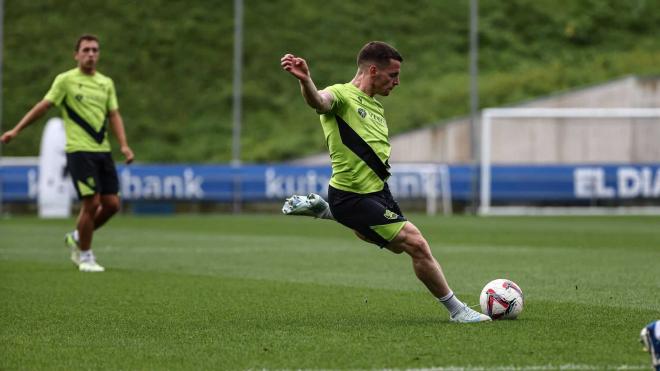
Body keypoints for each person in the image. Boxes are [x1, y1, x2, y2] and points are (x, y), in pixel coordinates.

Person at [280, 41, 490, 323]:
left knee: (391, 244)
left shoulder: (376, 107)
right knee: (417, 244)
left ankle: (324, 210)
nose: (398, 82)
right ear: (373, 70)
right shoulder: (342, 95)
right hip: (352, 196)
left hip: (378, 191)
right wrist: (306, 81)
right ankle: (457, 311)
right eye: (393, 75)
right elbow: (319, 100)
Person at [1, 34, 134, 272]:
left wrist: (123, 145)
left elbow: (114, 114)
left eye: (95, 50)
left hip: (102, 151)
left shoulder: (106, 83)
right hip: (78, 151)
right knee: (91, 203)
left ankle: (76, 236)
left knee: (112, 204)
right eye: (86, 50)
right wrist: (16, 130)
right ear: (76, 55)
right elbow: (44, 106)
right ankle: (85, 256)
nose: (91, 54)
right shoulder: (65, 81)